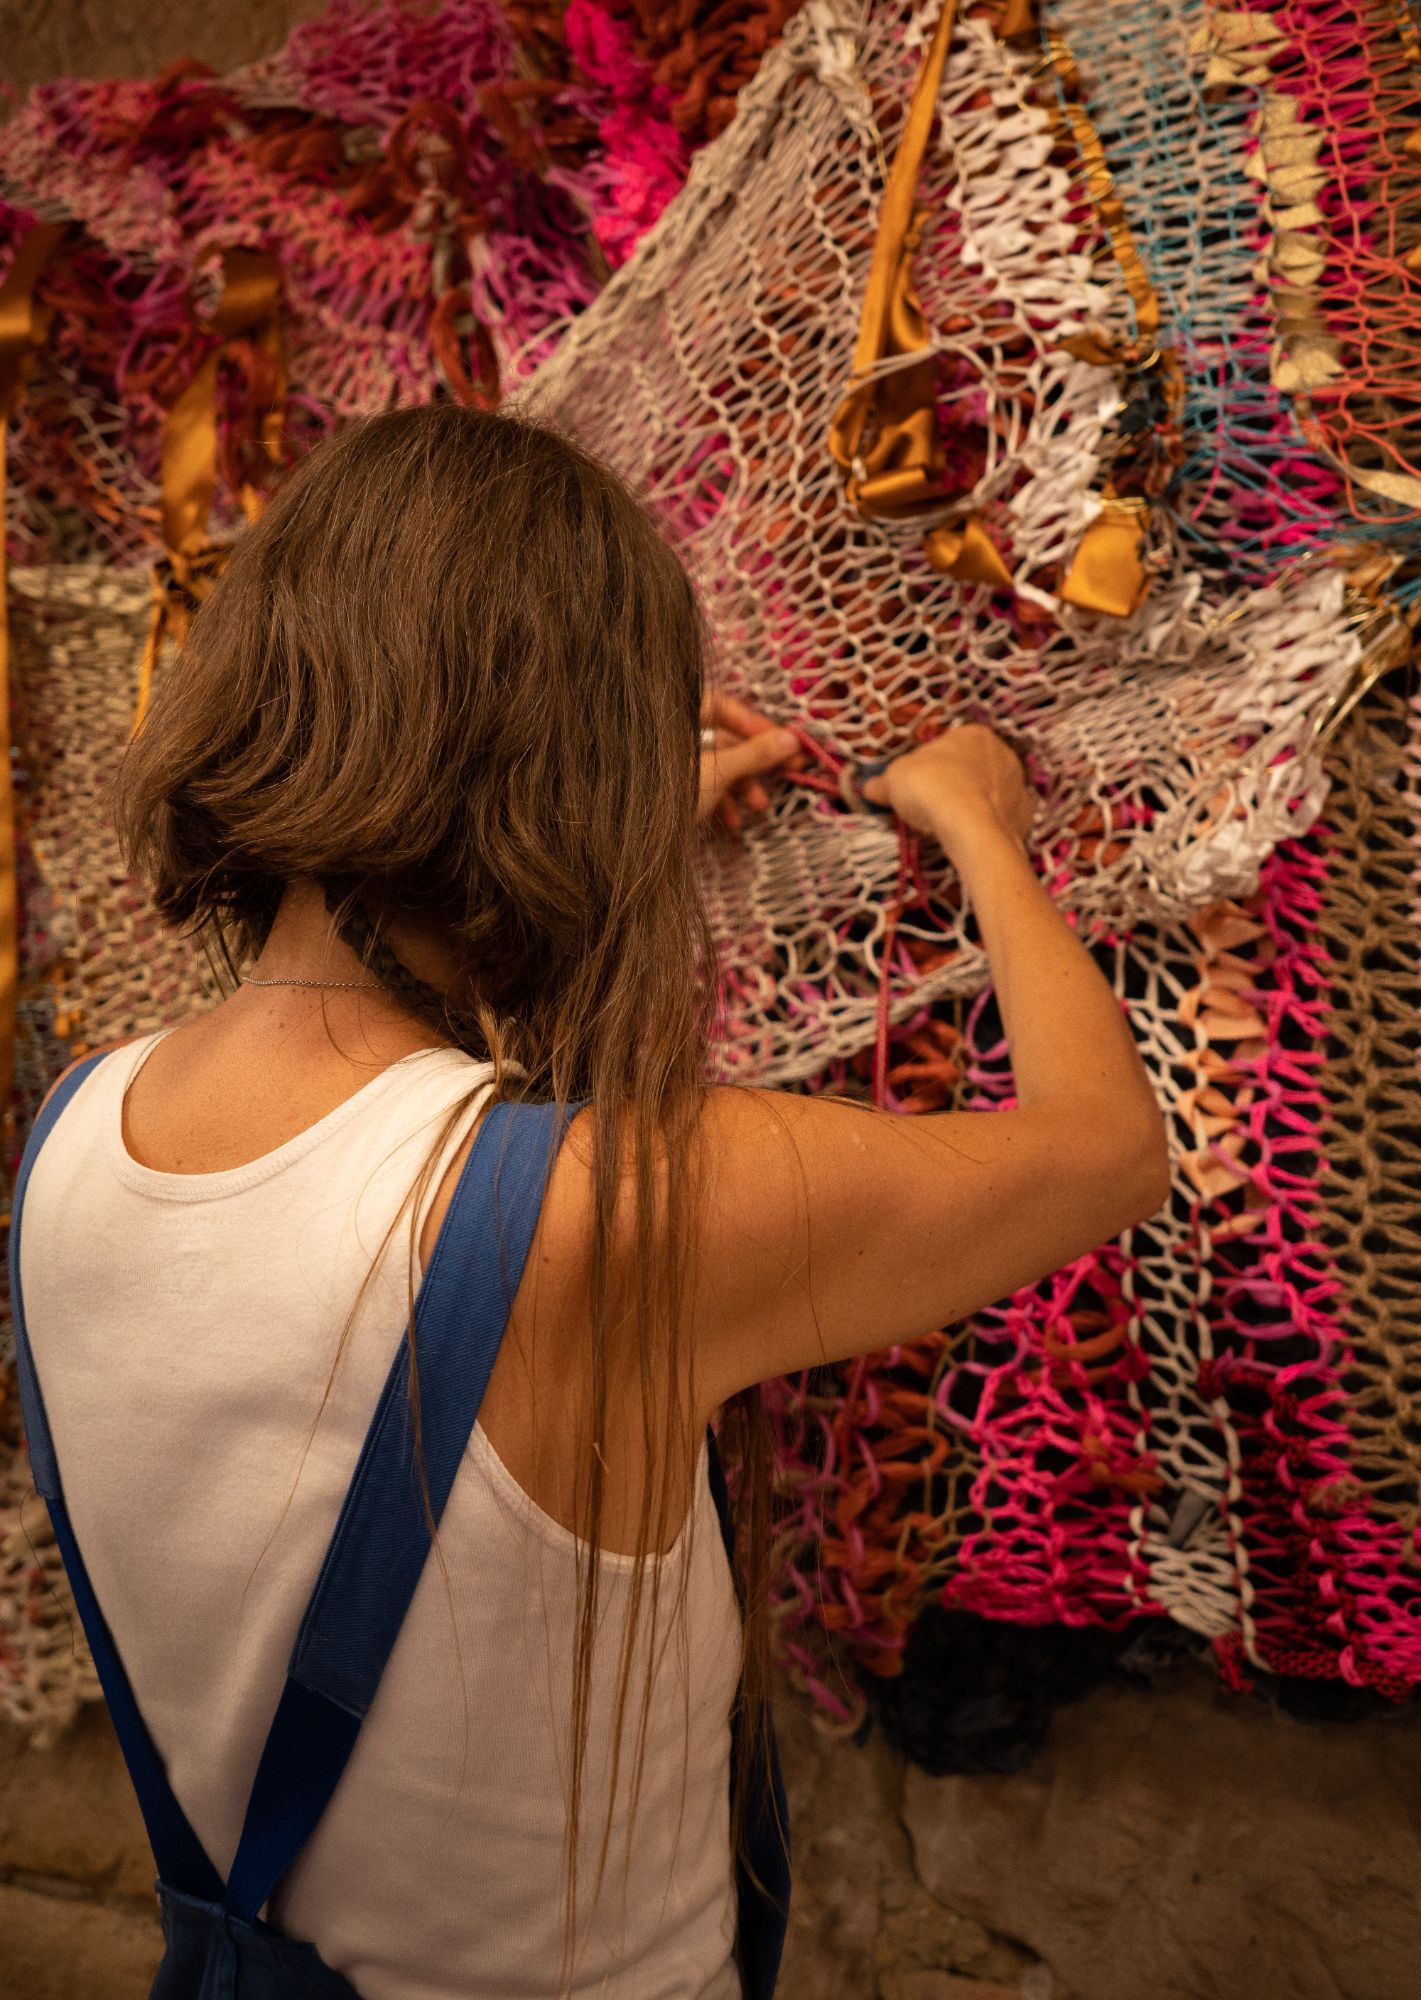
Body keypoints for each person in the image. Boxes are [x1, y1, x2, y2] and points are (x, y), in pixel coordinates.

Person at [13, 403, 1169, 2000]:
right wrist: (982, 828)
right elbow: (1102, 1149)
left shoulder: (77, 1132)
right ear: (564, 769)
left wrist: (579, 836)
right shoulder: (603, 1211)